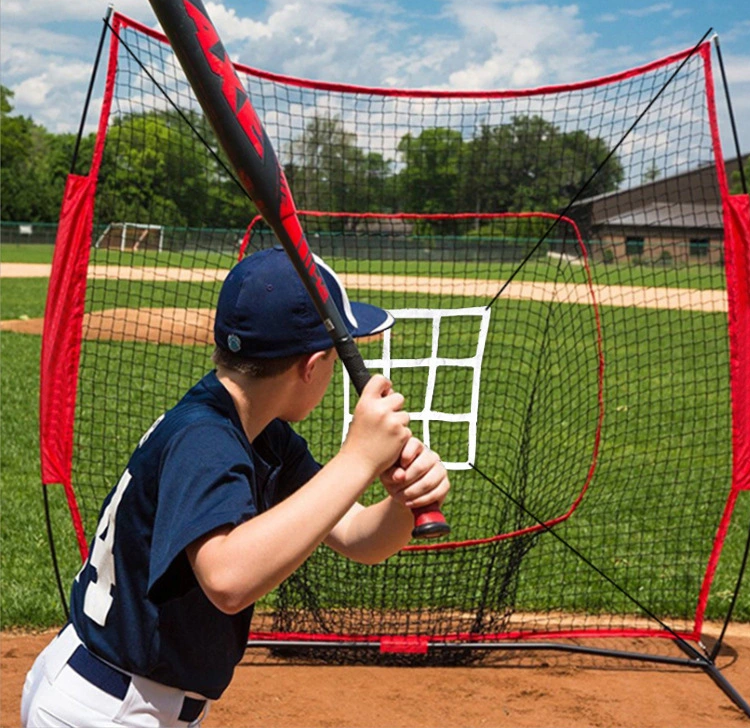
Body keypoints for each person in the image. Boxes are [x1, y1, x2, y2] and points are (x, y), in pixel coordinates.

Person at [21, 246, 449, 727]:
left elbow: (356, 537)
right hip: (108, 708)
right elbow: (227, 580)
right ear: (311, 366)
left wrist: (401, 501)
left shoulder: (259, 433)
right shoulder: (206, 439)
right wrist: (356, 460)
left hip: (124, 695)